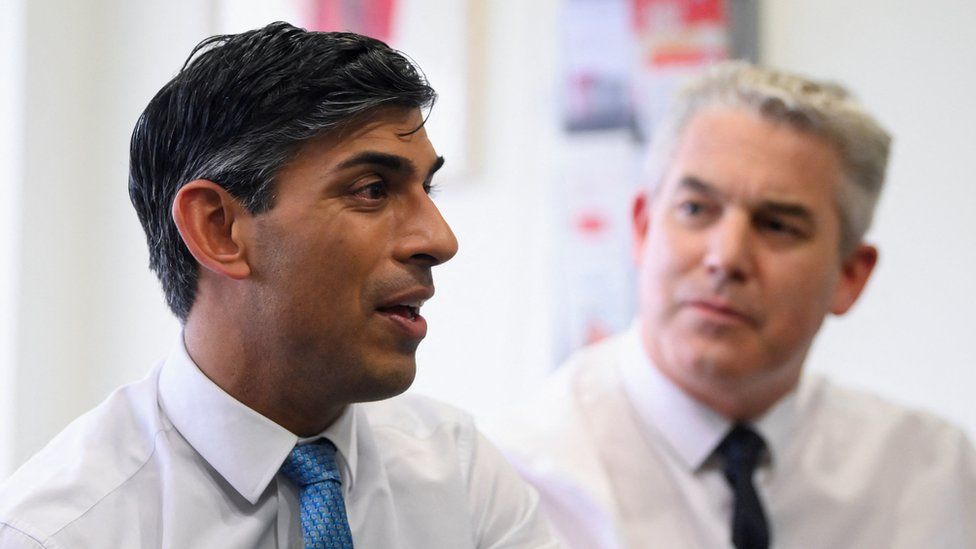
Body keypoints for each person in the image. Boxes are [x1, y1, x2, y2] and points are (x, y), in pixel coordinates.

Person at [0, 22, 556, 548]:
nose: (440, 239)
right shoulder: (63, 533)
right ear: (218, 228)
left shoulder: (459, 472)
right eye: (371, 189)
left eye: (426, 190)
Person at [497, 62, 976, 548]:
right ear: (642, 228)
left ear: (850, 275)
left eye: (777, 226)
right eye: (696, 209)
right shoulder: (524, 480)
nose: (725, 258)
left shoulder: (930, 476)